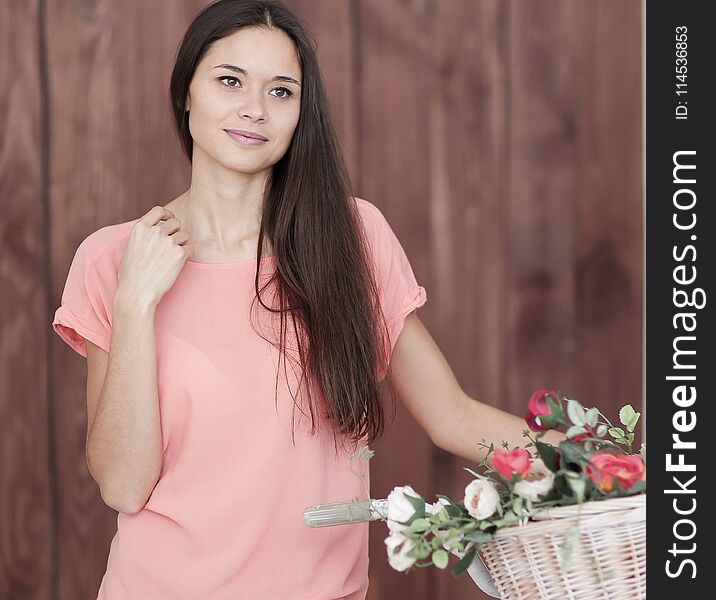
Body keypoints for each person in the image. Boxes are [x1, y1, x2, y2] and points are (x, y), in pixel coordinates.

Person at [51, 1, 562, 598]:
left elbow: (452, 416)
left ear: (300, 112)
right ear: (186, 91)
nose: (254, 109)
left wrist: (601, 465)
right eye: (229, 80)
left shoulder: (352, 239)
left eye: (281, 91)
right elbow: (122, 485)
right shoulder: (113, 258)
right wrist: (135, 303)